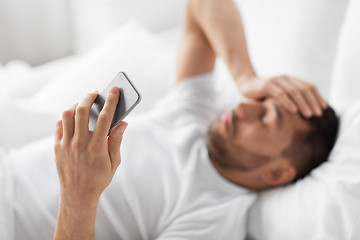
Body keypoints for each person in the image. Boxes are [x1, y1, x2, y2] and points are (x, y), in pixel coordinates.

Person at [1, 0, 338, 239]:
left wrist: (80, 193)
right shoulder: (194, 115)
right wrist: (247, 77)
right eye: (259, 101)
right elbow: (203, 5)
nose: (244, 107)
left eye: (266, 118)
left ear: (277, 171)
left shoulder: (210, 221)